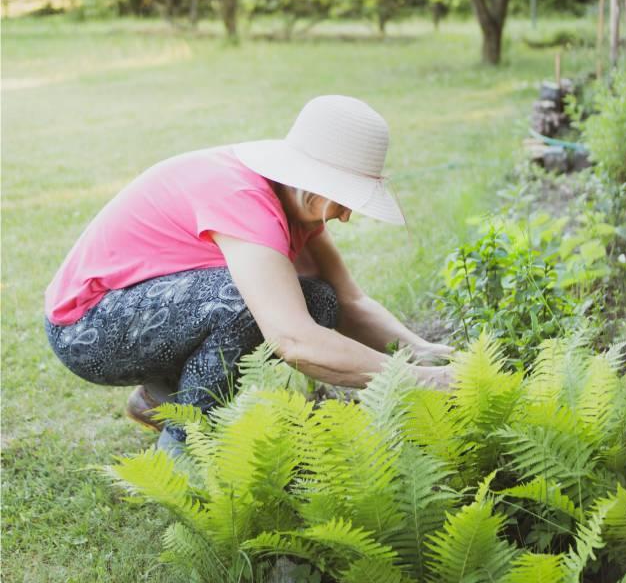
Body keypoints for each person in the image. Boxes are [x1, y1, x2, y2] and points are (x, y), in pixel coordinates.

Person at [44, 94, 453, 454]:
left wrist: (431, 355)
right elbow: (294, 340)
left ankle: (160, 398)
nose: (346, 216)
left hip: (141, 311)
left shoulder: (295, 203)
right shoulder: (243, 200)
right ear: (311, 182)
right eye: (345, 198)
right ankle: (187, 448)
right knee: (244, 306)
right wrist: (422, 380)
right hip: (86, 329)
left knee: (320, 300)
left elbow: (350, 302)